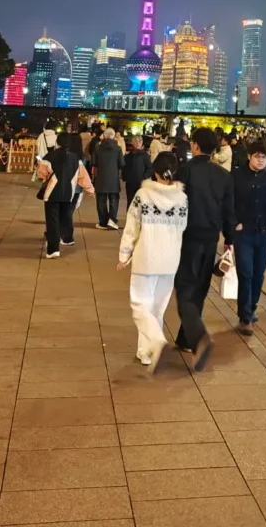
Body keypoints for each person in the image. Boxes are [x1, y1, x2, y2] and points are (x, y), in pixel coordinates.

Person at [118, 152, 188, 370]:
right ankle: (147, 351)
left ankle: (155, 344)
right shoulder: (182, 199)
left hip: (146, 258)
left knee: (140, 304)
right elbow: (182, 228)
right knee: (157, 308)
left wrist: (124, 254)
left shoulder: (143, 195)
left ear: (154, 171)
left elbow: (132, 227)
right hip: (170, 260)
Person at [174, 127, 235, 370]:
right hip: (211, 237)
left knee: (184, 288)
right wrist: (229, 240)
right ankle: (185, 339)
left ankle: (198, 338)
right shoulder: (223, 175)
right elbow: (229, 211)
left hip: (187, 236)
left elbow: (175, 203)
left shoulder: (185, 171)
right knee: (199, 286)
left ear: (196, 146)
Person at [233, 141, 266, 334]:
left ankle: (252, 307)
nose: (260, 160)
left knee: (259, 273)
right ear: (249, 156)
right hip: (243, 232)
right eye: (257, 156)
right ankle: (245, 316)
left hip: (264, 232)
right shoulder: (237, 175)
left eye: (264, 157)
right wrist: (234, 223)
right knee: (245, 273)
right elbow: (229, 200)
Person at [36, 132, 94, 257]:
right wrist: (90, 190)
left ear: (57, 142)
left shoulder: (49, 156)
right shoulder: (75, 159)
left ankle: (53, 250)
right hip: (68, 194)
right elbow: (83, 177)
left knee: (52, 221)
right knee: (65, 218)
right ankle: (66, 238)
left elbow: (41, 174)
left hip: (51, 194)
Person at [93, 127, 124, 230]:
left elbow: (93, 162)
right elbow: (122, 163)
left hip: (101, 177)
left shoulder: (98, 147)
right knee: (114, 199)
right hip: (113, 178)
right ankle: (112, 219)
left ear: (104, 136)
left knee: (101, 200)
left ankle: (103, 222)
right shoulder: (118, 148)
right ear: (114, 136)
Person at [122, 135, 152, 208]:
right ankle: (129, 218)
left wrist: (145, 176)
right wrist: (125, 177)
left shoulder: (145, 155)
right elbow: (124, 167)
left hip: (141, 182)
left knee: (141, 202)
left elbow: (150, 168)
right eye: (136, 141)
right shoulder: (128, 156)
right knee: (130, 201)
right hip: (130, 183)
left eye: (139, 141)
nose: (138, 143)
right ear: (132, 143)